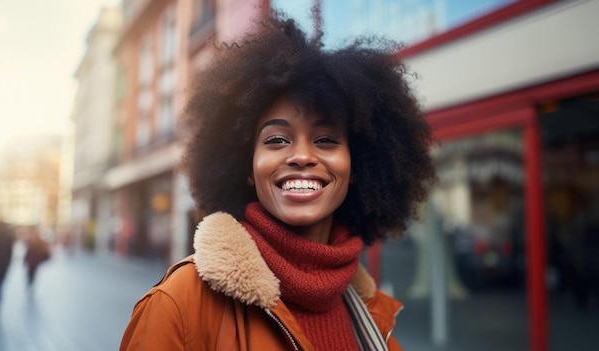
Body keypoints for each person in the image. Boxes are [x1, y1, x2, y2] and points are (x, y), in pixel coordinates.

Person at [121, 7, 436, 351]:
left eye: (326, 140)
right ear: (245, 165)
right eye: (276, 140)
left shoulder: (376, 316)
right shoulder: (179, 305)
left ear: (356, 165)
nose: (302, 156)